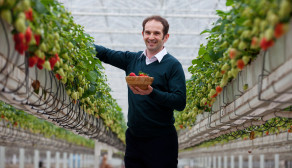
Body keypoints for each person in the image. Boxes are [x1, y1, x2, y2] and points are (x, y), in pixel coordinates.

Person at [95, 15, 186, 168]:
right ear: (142, 34)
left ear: (166, 37)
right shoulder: (132, 59)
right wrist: (78, 42)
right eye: (148, 32)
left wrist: (151, 92)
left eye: (156, 33)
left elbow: (179, 102)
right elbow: (105, 54)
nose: (151, 37)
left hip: (161, 140)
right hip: (134, 138)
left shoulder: (173, 65)